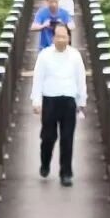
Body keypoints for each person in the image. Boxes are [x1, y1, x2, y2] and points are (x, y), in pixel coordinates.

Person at [32, 22, 87, 188]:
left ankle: (66, 173)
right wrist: (36, 100)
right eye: (58, 36)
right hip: (50, 99)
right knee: (48, 137)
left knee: (67, 138)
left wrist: (81, 101)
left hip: (68, 100)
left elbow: (81, 79)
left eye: (64, 36)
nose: (61, 39)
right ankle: (45, 162)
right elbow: (38, 79)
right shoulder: (45, 55)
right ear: (53, 37)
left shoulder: (75, 56)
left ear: (69, 38)